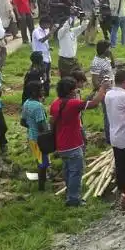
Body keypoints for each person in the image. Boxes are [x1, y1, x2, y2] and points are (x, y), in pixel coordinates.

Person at [52, 76, 108, 207]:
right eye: (75, 89)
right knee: (76, 172)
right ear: (70, 91)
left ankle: (69, 194)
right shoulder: (73, 104)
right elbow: (94, 104)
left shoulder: (55, 103)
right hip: (73, 144)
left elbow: (52, 123)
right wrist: (103, 89)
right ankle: (73, 199)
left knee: (67, 170)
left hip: (61, 144)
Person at [21, 81, 50, 191]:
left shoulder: (27, 103)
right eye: (41, 89)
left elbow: (22, 122)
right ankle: (41, 187)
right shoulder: (38, 106)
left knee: (40, 160)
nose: (43, 91)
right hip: (40, 139)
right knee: (43, 164)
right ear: (34, 92)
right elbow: (42, 126)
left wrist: (31, 126)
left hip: (31, 137)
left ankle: (43, 179)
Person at [56, 13, 89, 78]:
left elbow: (82, 27)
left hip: (73, 59)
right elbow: (66, 27)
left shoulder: (72, 31)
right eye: (68, 22)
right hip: (64, 60)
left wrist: (84, 19)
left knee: (78, 77)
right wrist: (72, 15)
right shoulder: (60, 32)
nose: (70, 24)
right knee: (66, 79)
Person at [31, 16, 52, 96]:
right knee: (41, 76)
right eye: (48, 24)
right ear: (43, 23)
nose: (49, 26)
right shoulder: (36, 31)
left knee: (47, 76)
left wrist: (49, 48)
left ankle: (46, 93)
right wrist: (51, 33)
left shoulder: (46, 30)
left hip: (47, 57)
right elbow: (42, 40)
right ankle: (39, 93)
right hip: (39, 57)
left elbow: (45, 42)